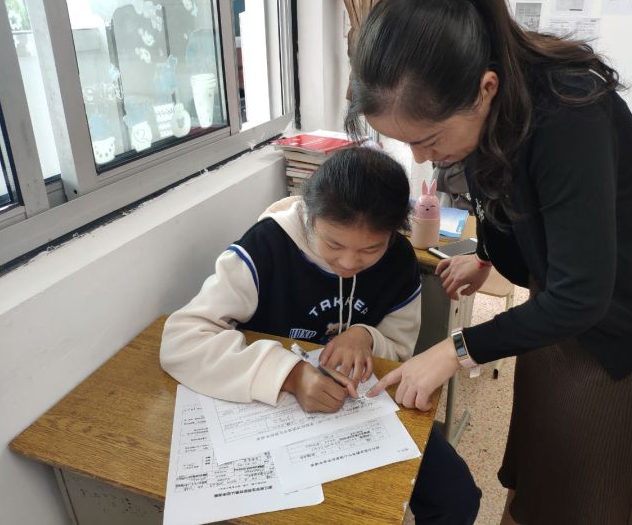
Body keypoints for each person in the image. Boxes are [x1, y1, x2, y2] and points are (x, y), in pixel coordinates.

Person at [348, 0, 632, 524]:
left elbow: (581, 296)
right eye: (406, 143)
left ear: (484, 90)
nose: (421, 157)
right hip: (558, 301)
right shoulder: (486, 99)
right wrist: (485, 254)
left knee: (586, 490)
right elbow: (506, 191)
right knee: (542, 461)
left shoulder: (570, 113)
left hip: (623, 320)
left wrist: (456, 349)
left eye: (429, 140)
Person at [160, 146, 481, 524]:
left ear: (394, 232)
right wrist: (290, 375)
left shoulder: (398, 261)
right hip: (267, 409)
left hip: (357, 407)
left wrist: (365, 336)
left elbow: (399, 347)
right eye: (333, 244)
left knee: (457, 496)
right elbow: (181, 340)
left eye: (370, 248)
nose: (348, 262)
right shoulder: (266, 248)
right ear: (311, 216)